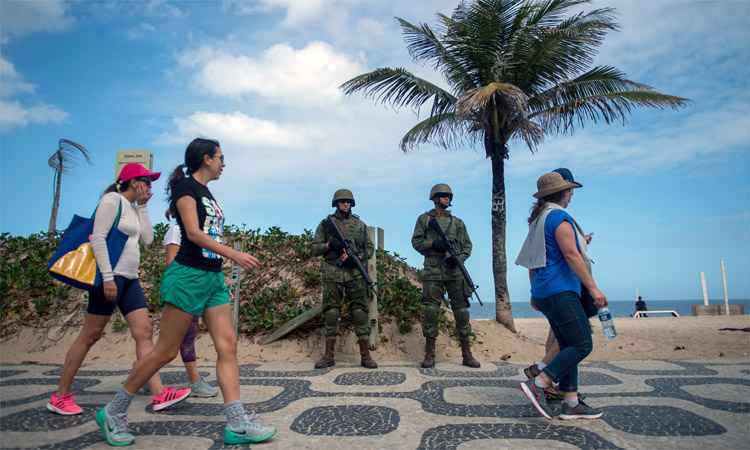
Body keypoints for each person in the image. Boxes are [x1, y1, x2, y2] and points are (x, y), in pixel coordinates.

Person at [95, 138, 277, 447]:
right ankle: (114, 411)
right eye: (220, 157)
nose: (223, 162)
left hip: (211, 278)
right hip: (187, 277)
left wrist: (221, 266)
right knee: (165, 351)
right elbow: (193, 234)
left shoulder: (207, 192)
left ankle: (237, 423)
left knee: (227, 345)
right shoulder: (186, 190)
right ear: (205, 159)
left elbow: (208, 233)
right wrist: (233, 254)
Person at [47, 163, 191, 416]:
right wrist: (108, 277)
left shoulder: (134, 208)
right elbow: (98, 237)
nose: (150, 187)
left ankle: (159, 393)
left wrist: (144, 207)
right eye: (147, 182)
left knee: (144, 332)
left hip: (130, 279)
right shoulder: (111, 201)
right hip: (111, 278)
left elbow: (147, 239)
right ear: (134, 182)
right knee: (90, 334)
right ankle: (60, 396)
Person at [516, 172, 607, 420]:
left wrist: (535, 293)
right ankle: (540, 382)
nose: (572, 194)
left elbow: (532, 263)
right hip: (561, 290)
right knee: (581, 344)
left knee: (567, 345)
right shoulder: (559, 218)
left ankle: (571, 402)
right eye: (570, 190)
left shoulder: (539, 220)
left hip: (546, 291)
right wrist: (593, 288)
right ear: (565, 192)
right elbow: (571, 255)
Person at [411, 184, 480, 369]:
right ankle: (429, 354)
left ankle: (467, 354)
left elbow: (467, 246)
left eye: (448, 196)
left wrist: (458, 259)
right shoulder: (424, 220)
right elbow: (416, 242)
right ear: (435, 198)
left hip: (454, 270)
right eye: (442, 196)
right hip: (433, 269)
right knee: (431, 311)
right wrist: (434, 243)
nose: (446, 199)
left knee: (462, 311)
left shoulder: (457, 223)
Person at [312, 189, 377, 369]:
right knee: (332, 312)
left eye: (348, 202)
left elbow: (369, 248)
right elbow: (314, 248)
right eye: (342, 202)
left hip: (354, 272)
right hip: (333, 271)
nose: (345, 204)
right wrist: (329, 245)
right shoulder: (326, 225)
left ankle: (365, 356)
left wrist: (356, 256)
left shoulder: (359, 225)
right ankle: (328, 356)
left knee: (359, 312)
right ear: (336, 204)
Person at [163, 218, 219, 397]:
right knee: (175, 342)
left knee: (179, 339)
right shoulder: (176, 229)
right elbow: (171, 261)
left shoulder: (196, 231)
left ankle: (145, 376)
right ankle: (195, 382)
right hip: (184, 290)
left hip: (194, 289)